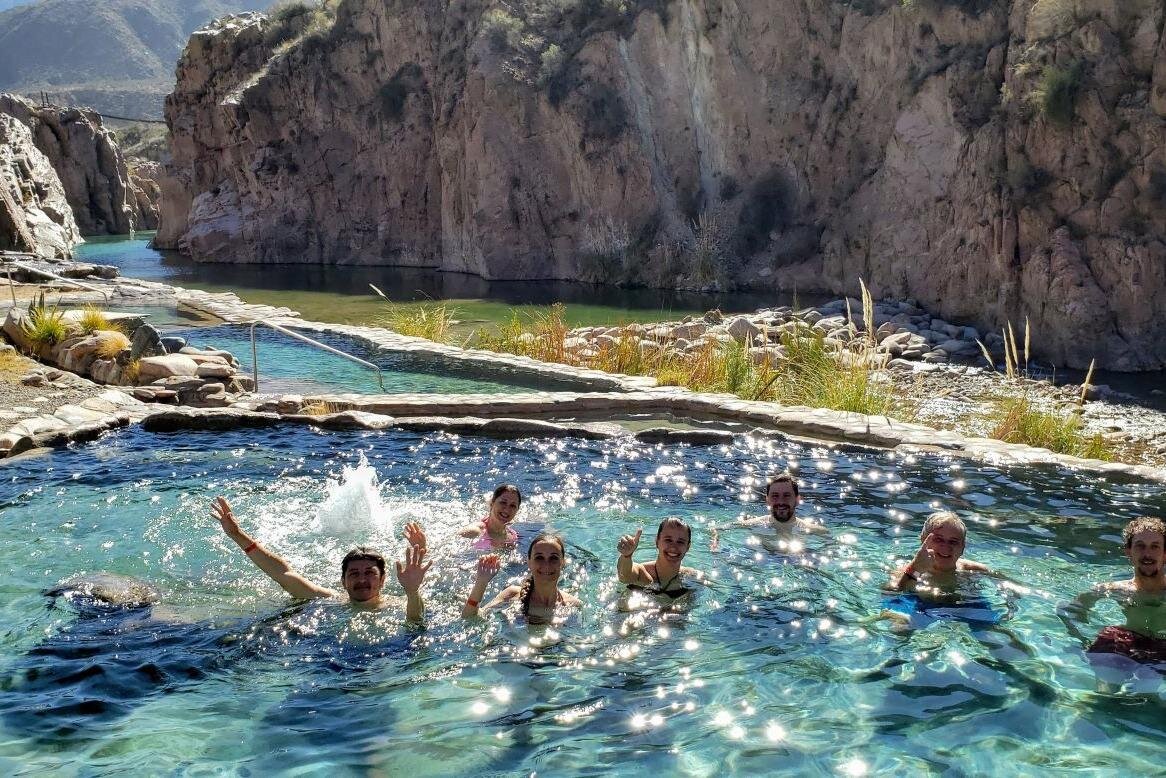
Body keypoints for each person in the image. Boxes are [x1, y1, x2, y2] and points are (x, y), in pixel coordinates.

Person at [211, 496, 430, 620]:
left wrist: (412, 591)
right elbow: (283, 574)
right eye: (354, 573)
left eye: (370, 573)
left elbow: (416, 623)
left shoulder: (397, 607)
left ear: (382, 580)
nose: (362, 579)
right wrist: (237, 535)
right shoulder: (328, 600)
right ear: (343, 581)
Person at [1063, 516, 1166, 668]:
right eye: (1140, 546)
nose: (1147, 554)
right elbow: (1070, 609)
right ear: (1129, 552)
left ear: (1165, 553)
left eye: (1155, 546)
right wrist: (1082, 641)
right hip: (1126, 644)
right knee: (1108, 638)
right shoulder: (1115, 590)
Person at [881, 511, 1001, 627]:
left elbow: (1005, 582)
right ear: (923, 540)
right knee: (901, 627)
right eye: (938, 539)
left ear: (962, 547)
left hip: (966, 606)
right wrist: (916, 569)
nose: (946, 547)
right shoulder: (910, 570)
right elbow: (890, 592)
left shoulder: (973, 570)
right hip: (921, 606)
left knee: (996, 633)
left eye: (953, 542)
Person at [462, 533, 581, 625]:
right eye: (539, 558)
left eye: (553, 558)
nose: (546, 565)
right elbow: (470, 618)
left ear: (563, 562)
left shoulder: (573, 605)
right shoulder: (512, 595)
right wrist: (481, 582)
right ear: (529, 562)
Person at [711, 473, 826, 553]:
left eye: (786, 496)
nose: (781, 502)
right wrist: (715, 541)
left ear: (797, 499)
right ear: (767, 499)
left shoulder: (816, 531)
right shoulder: (754, 524)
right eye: (775, 496)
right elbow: (717, 528)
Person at [616, 518, 703, 599]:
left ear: (688, 547)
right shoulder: (642, 572)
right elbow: (625, 577)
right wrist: (626, 556)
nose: (673, 547)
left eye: (680, 542)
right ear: (657, 541)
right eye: (668, 540)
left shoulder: (693, 577)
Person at [459, 484, 522, 549]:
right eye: (503, 502)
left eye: (513, 506)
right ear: (492, 503)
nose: (507, 510)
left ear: (517, 510)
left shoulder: (512, 537)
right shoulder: (473, 531)